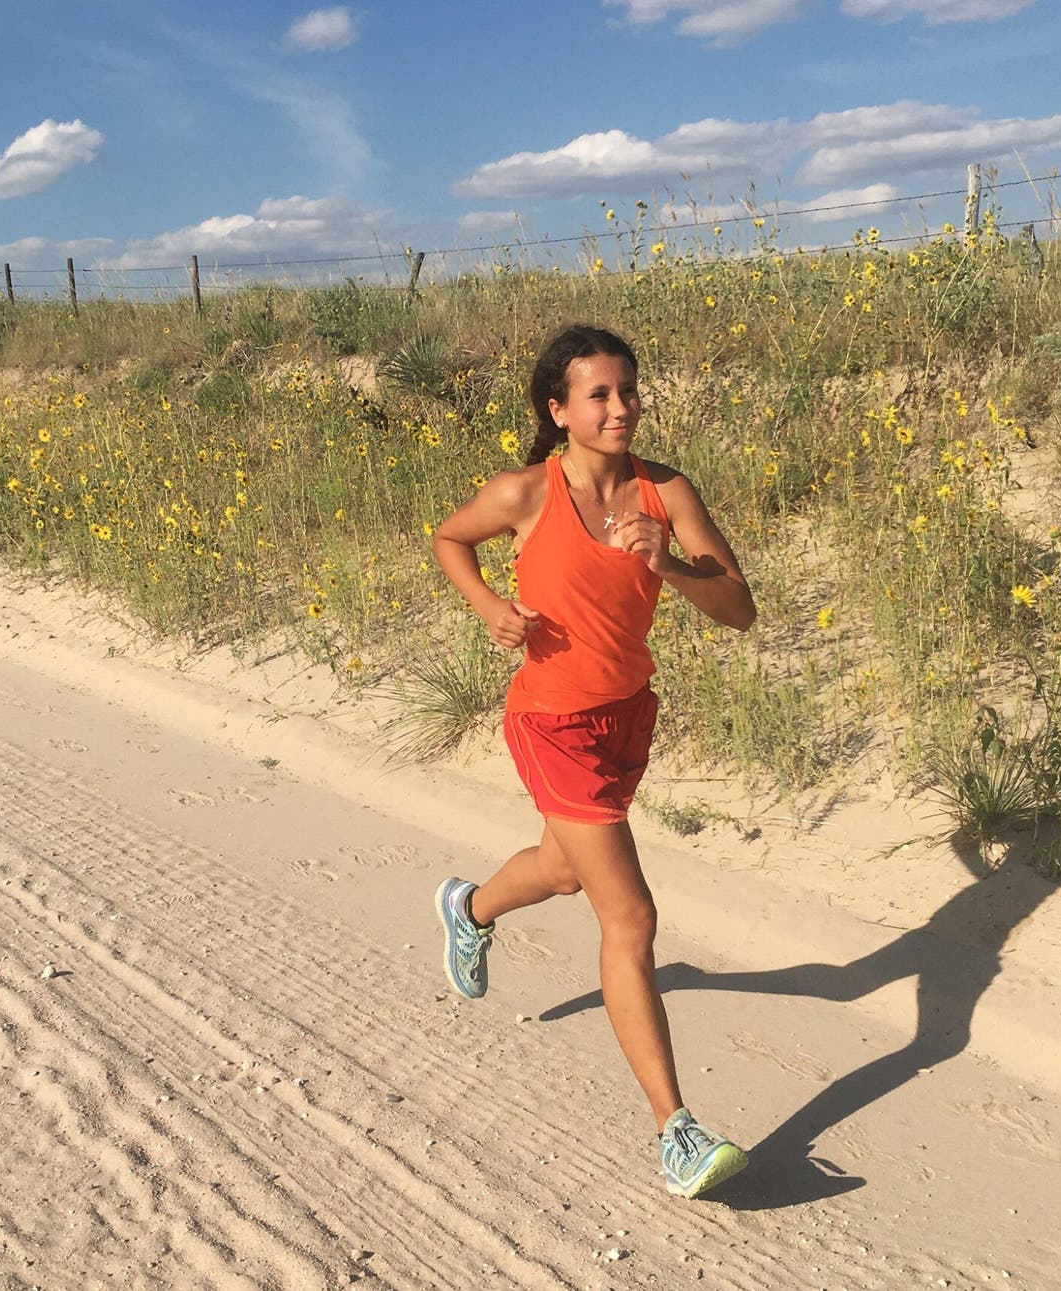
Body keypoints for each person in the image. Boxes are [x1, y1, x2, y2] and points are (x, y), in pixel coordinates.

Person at [431, 323, 758, 1199]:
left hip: (625, 719)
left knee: (563, 869)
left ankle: (469, 907)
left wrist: (674, 567)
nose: (621, 408)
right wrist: (489, 605)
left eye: (628, 390)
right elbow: (448, 540)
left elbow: (740, 608)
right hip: (551, 722)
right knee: (632, 915)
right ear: (559, 410)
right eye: (599, 395)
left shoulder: (666, 492)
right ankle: (677, 1132)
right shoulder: (524, 494)